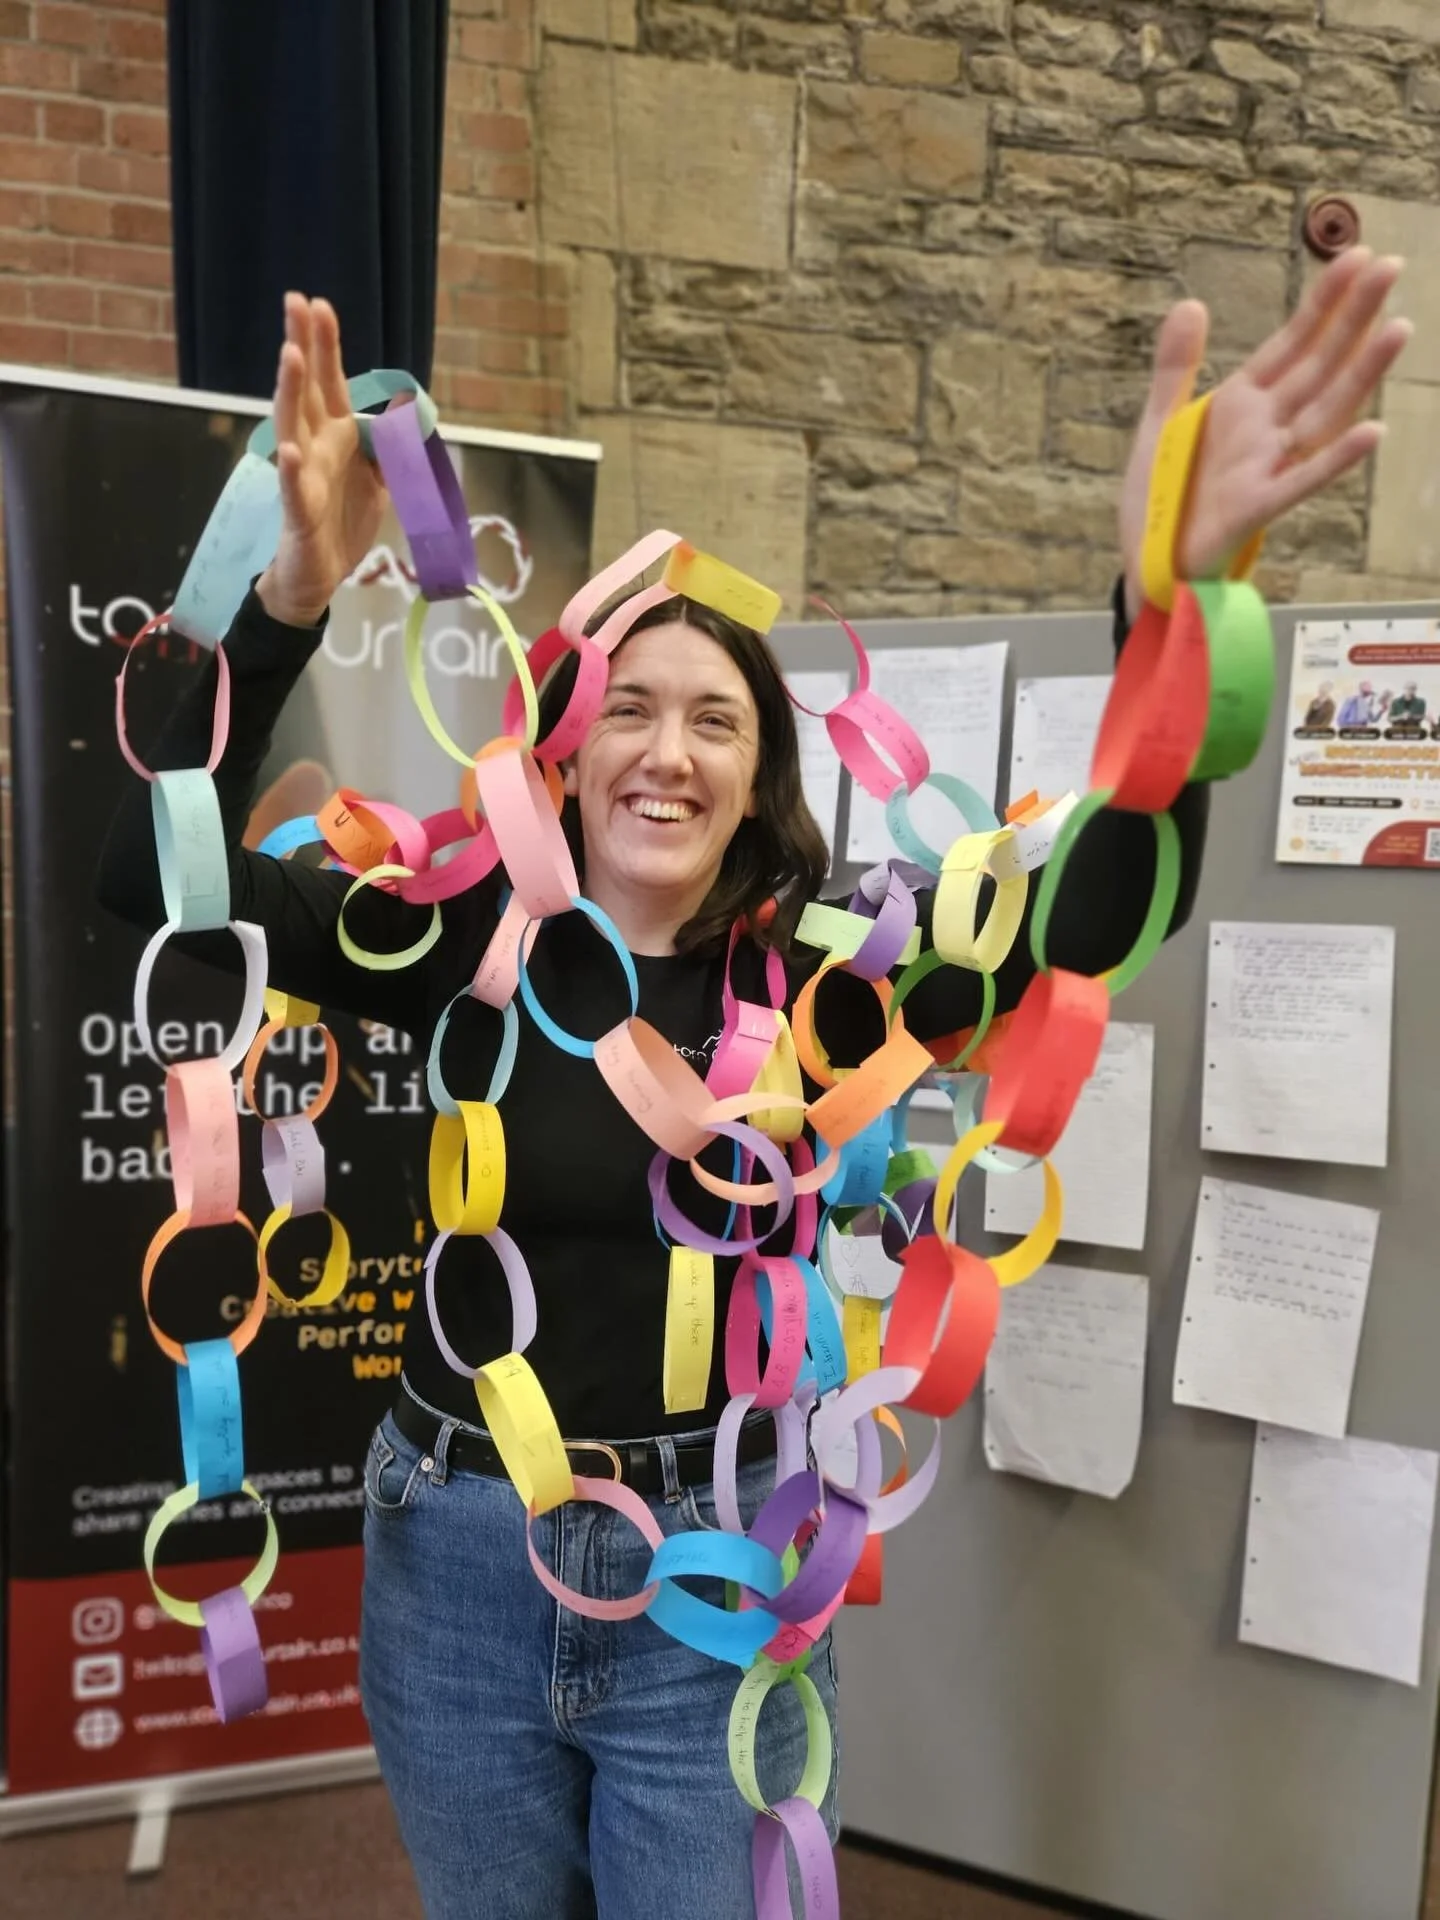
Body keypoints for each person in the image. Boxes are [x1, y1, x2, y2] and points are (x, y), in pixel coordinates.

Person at [96, 248, 1409, 1920]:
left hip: (707, 1565)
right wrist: (285, 600)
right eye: (628, 709)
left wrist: (1169, 612)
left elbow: (1093, 912)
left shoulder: (829, 969)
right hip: (463, 1556)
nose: (668, 751)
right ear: (557, 761)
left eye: (716, 720)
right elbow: (158, 899)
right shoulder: (450, 936)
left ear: (760, 772)